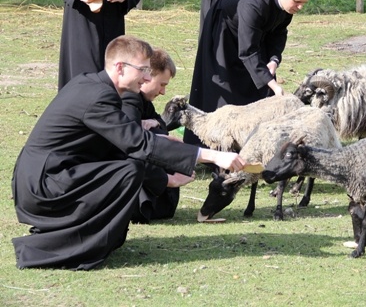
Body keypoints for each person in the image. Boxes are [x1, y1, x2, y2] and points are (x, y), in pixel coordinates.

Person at [11, 36, 245, 270]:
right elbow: (136, 144)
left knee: (130, 168)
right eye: (143, 70)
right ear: (120, 68)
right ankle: (52, 249)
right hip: (43, 186)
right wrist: (213, 156)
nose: (146, 77)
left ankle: (86, 239)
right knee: (129, 171)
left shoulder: (92, 85)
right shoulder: (99, 96)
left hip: (43, 177)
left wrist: (157, 143)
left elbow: (123, 140)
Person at [184, 0, 313, 147]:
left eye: (303, 4)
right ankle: (214, 149)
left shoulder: (286, 7)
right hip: (224, 30)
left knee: (258, 87)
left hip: (253, 34)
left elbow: (278, 34)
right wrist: (274, 85)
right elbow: (248, 52)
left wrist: (274, 60)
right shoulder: (253, 4)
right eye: (297, 2)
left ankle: (253, 144)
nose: (300, 8)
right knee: (225, 89)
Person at [121, 48, 193, 224]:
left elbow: (161, 125)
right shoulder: (129, 99)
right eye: (162, 84)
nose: (163, 92)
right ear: (147, 77)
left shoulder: (142, 101)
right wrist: (171, 180)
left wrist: (156, 124)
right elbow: (131, 146)